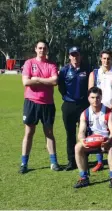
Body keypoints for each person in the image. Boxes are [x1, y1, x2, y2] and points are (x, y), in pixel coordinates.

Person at [20, 40, 60, 174]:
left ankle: (54, 162)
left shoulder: (52, 64)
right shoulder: (29, 63)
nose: (42, 50)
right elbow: (26, 81)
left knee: (49, 133)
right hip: (31, 102)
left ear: (47, 50)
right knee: (29, 133)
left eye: (44, 48)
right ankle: (24, 163)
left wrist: (36, 79)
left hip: (47, 104)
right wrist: (45, 80)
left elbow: (54, 81)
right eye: (40, 48)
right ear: (35, 49)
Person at [73, 87, 112, 188]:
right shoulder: (85, 113)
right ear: (88, 98)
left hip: (106, 141)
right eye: (92, 97)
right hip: (92, 141)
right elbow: (81, 132)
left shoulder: (109, 112)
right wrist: (82, 140)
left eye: (97, 97)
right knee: (78, 147)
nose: (95, 100)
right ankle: (84, 178)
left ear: (101, 98)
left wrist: (109, 141)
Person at [88, 50, 112, 172]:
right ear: (100, 59)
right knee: (98, 135)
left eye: (108, 58)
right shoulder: (94, 73)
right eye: (104, 58)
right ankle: (100, 162)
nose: (106, 61)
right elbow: (90, 91)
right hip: (98, 111)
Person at [58, 46, 89, 171]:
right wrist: (67, 97)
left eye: (77, 55)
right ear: (69, 56)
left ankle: (84, 158)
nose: (75, 57)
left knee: (85, 133)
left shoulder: (87, 69)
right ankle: (71, 161)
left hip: (83, 105)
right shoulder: (65, 70)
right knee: (70, 134)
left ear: (80, 56)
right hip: (69, 105)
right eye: (73, 55)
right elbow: (61, 87)